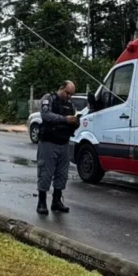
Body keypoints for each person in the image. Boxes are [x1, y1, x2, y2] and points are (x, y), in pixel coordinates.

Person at [36, 81, 79, 215]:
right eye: (67, 93)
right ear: (61, 88)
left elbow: (71, 121)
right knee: (46, 173)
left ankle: (56, 201)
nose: (69, 96)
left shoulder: (70, 104)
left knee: (62, 174)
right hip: (49, 142)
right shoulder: (48, 99)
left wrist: (75, 122)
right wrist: (64, 119)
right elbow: (45, 115)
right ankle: (41, 202)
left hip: (63, 143)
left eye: (71, 94)